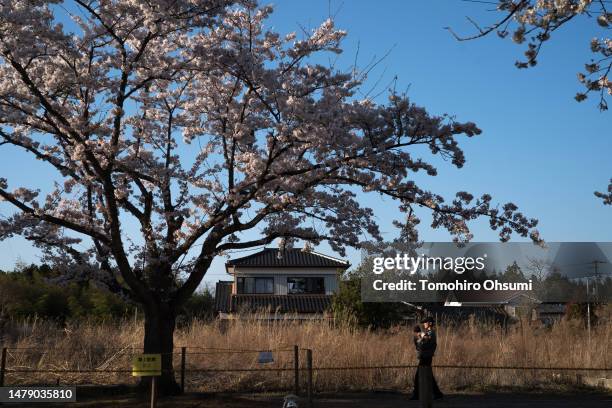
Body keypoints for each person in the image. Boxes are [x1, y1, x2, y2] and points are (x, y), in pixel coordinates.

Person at [410, 317, 443, 400]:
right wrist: (418, 337)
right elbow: (420, 345)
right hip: (425, 357)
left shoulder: (431, 333)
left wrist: (419, 335)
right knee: (429, 377)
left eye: (425, 322)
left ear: (430, 323)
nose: (424, 324)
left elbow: (423, 345)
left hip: (426, 357)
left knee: (418, 376)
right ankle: (437, 393)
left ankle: (416, 395)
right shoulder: (428, 333)